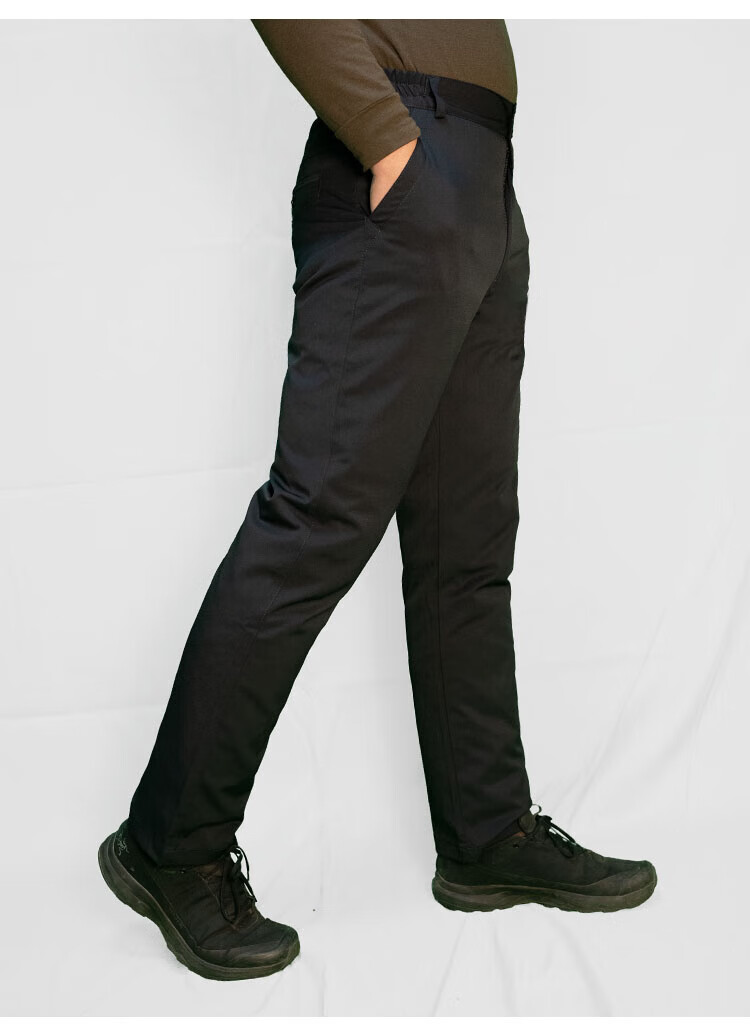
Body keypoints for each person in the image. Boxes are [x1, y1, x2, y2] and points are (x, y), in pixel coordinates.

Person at [98, 19, 657, 982]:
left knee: (467, 543)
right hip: (403, 160)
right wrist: (391, 140)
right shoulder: (394, 148)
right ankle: (169, 842)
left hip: (479, 175)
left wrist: (457, 175)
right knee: (314, 519)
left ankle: (485, 831)